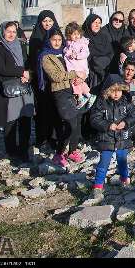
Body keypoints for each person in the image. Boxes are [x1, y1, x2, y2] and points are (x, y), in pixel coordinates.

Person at [0, 21, 35, 164]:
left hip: (24, 87)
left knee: (25, 119)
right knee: (11, 121)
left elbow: (27, 63)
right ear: (2, 32)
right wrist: (22, 72)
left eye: (14, 31)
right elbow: (1, 69)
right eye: (8, 31)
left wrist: (28, 74)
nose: (11, 34)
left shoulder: (20, 46)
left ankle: (24, 149)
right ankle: (12, 151)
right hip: (9, 89)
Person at [40, 29, 87, 167]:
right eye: (54, 39)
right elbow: (55, 76)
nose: (57, 42)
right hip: (59, 91)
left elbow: (79, 65)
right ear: (49, 40)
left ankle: (72, 151)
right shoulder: (46, 56)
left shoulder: (64, 51)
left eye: (59, 40)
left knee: (77, 120)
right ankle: (59, 154)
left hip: (72, 89)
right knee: (69, 122)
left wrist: (80, 76)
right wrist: (74, 74)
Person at [90, 80, 135, 198]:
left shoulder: (126, 101)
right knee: (103, 163)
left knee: (122, 161)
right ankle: (98, 186)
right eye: (113, 91)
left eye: (119, 90)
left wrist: (126, 122)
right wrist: (107, 125)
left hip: (123, 138)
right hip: (106, 138)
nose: (116, 93)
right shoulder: (101, 102)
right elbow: (94, 118)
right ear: (107, 91)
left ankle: (124, 181)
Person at [28, 10, 60, 148]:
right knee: (42, 110)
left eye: (50, 21)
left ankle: (55, 137)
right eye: (44, 21)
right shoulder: (35, 38)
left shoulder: (58, 36)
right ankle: (42, 138)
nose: (47, 24)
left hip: (57, 80)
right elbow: (32, 59)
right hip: (41, 80)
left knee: (56, 108)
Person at [63, 22, 95, 109]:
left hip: (80, 67)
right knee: (78, 83)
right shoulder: (68, 44)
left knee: (76, 82)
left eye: (77, 34)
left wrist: (76, 55)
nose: (76, 36)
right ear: (69, 35)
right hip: (73, 68)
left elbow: (86, 53)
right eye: (73, 34)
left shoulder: (82, 43)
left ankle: (81, 97)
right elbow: (66, 54)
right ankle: (88, 95)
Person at [83, 14, 114, 95]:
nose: (97, 25)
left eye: (99, 22)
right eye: (94, 22)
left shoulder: (104, 37)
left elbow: (110, 53)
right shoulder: (83, 38)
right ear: (89, 23)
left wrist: (103, 61)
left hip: (105, 70)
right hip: (90, 73)